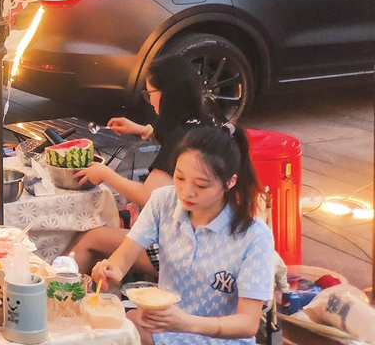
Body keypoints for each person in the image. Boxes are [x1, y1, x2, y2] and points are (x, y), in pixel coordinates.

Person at [92, 125, 274, 345]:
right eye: (179, 178)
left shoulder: (254, 237)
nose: (186, 192)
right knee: (121, 324)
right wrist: (111, 269)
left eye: (201, 185)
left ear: (230, 182)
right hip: (166, 330)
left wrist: (185, 323)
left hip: (221, 339)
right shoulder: (163, 201)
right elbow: (124, 256)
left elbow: (247, 324)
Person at [72, 55, 208, 272]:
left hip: (179, 248)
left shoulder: (180, 142)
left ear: (166, 95)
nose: (150, 100)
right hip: (201, 238)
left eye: (150, 94)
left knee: (88, 238)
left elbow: (149, 195)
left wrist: (105, 174)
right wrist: (143, 130)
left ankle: (58, 298)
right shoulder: (206, 125)